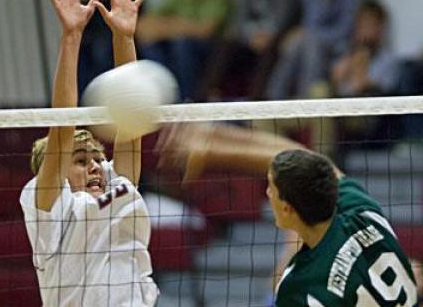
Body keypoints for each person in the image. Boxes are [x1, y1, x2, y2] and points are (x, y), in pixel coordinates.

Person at [157, 123, 418, 306]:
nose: (267, 193)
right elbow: (309, 162)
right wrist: (213, 144)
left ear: (287, 210)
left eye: (271, 189)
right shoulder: (363, 215)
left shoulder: (297, 285)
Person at [19, 0, 158, 306]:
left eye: (97, 158)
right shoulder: (51, 210)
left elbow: (130, 114)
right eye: (81, 161)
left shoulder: (114, 185)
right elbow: (62, 128)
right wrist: (71, 36)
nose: (96, 166)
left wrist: (123, 38)